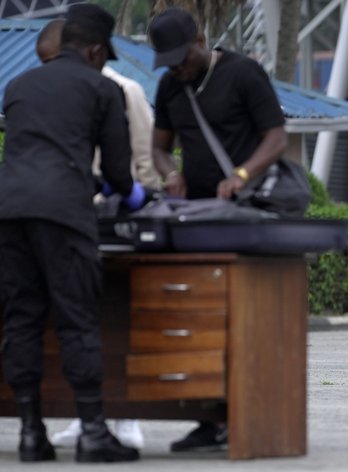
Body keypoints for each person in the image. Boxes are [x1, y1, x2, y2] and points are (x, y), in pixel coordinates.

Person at [0, 4, 143, 463]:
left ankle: (30, 434)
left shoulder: (17, 87)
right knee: (77, 319)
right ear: (97, 50)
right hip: (63, 215)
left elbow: (34, 153)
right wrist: (130, 193)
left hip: (9, 212)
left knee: (21, 320)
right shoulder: (101, 89)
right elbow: (120, 173)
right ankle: (94, 434)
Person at [147, 7, 288, 451]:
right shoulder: (171, 84)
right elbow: (159, 147)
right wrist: (171, 173)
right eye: (169, 61)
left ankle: (250, 415)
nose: (178, 67)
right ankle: (208, 420)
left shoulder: (244, 73)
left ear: (201, 41)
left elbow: (277, 137)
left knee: (240, 321)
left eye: (182, 58)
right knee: (197, 319)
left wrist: (242, 175)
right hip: (198, 217)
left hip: (245, 213)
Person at [35, 17, 160, 450]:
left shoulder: (125, 90)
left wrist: (136, 198)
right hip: (66, 218)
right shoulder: (47, 87)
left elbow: (141, 160)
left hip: (109, 216)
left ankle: (123, 415)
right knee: (75, 321)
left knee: (114, 316)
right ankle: (85, 414)